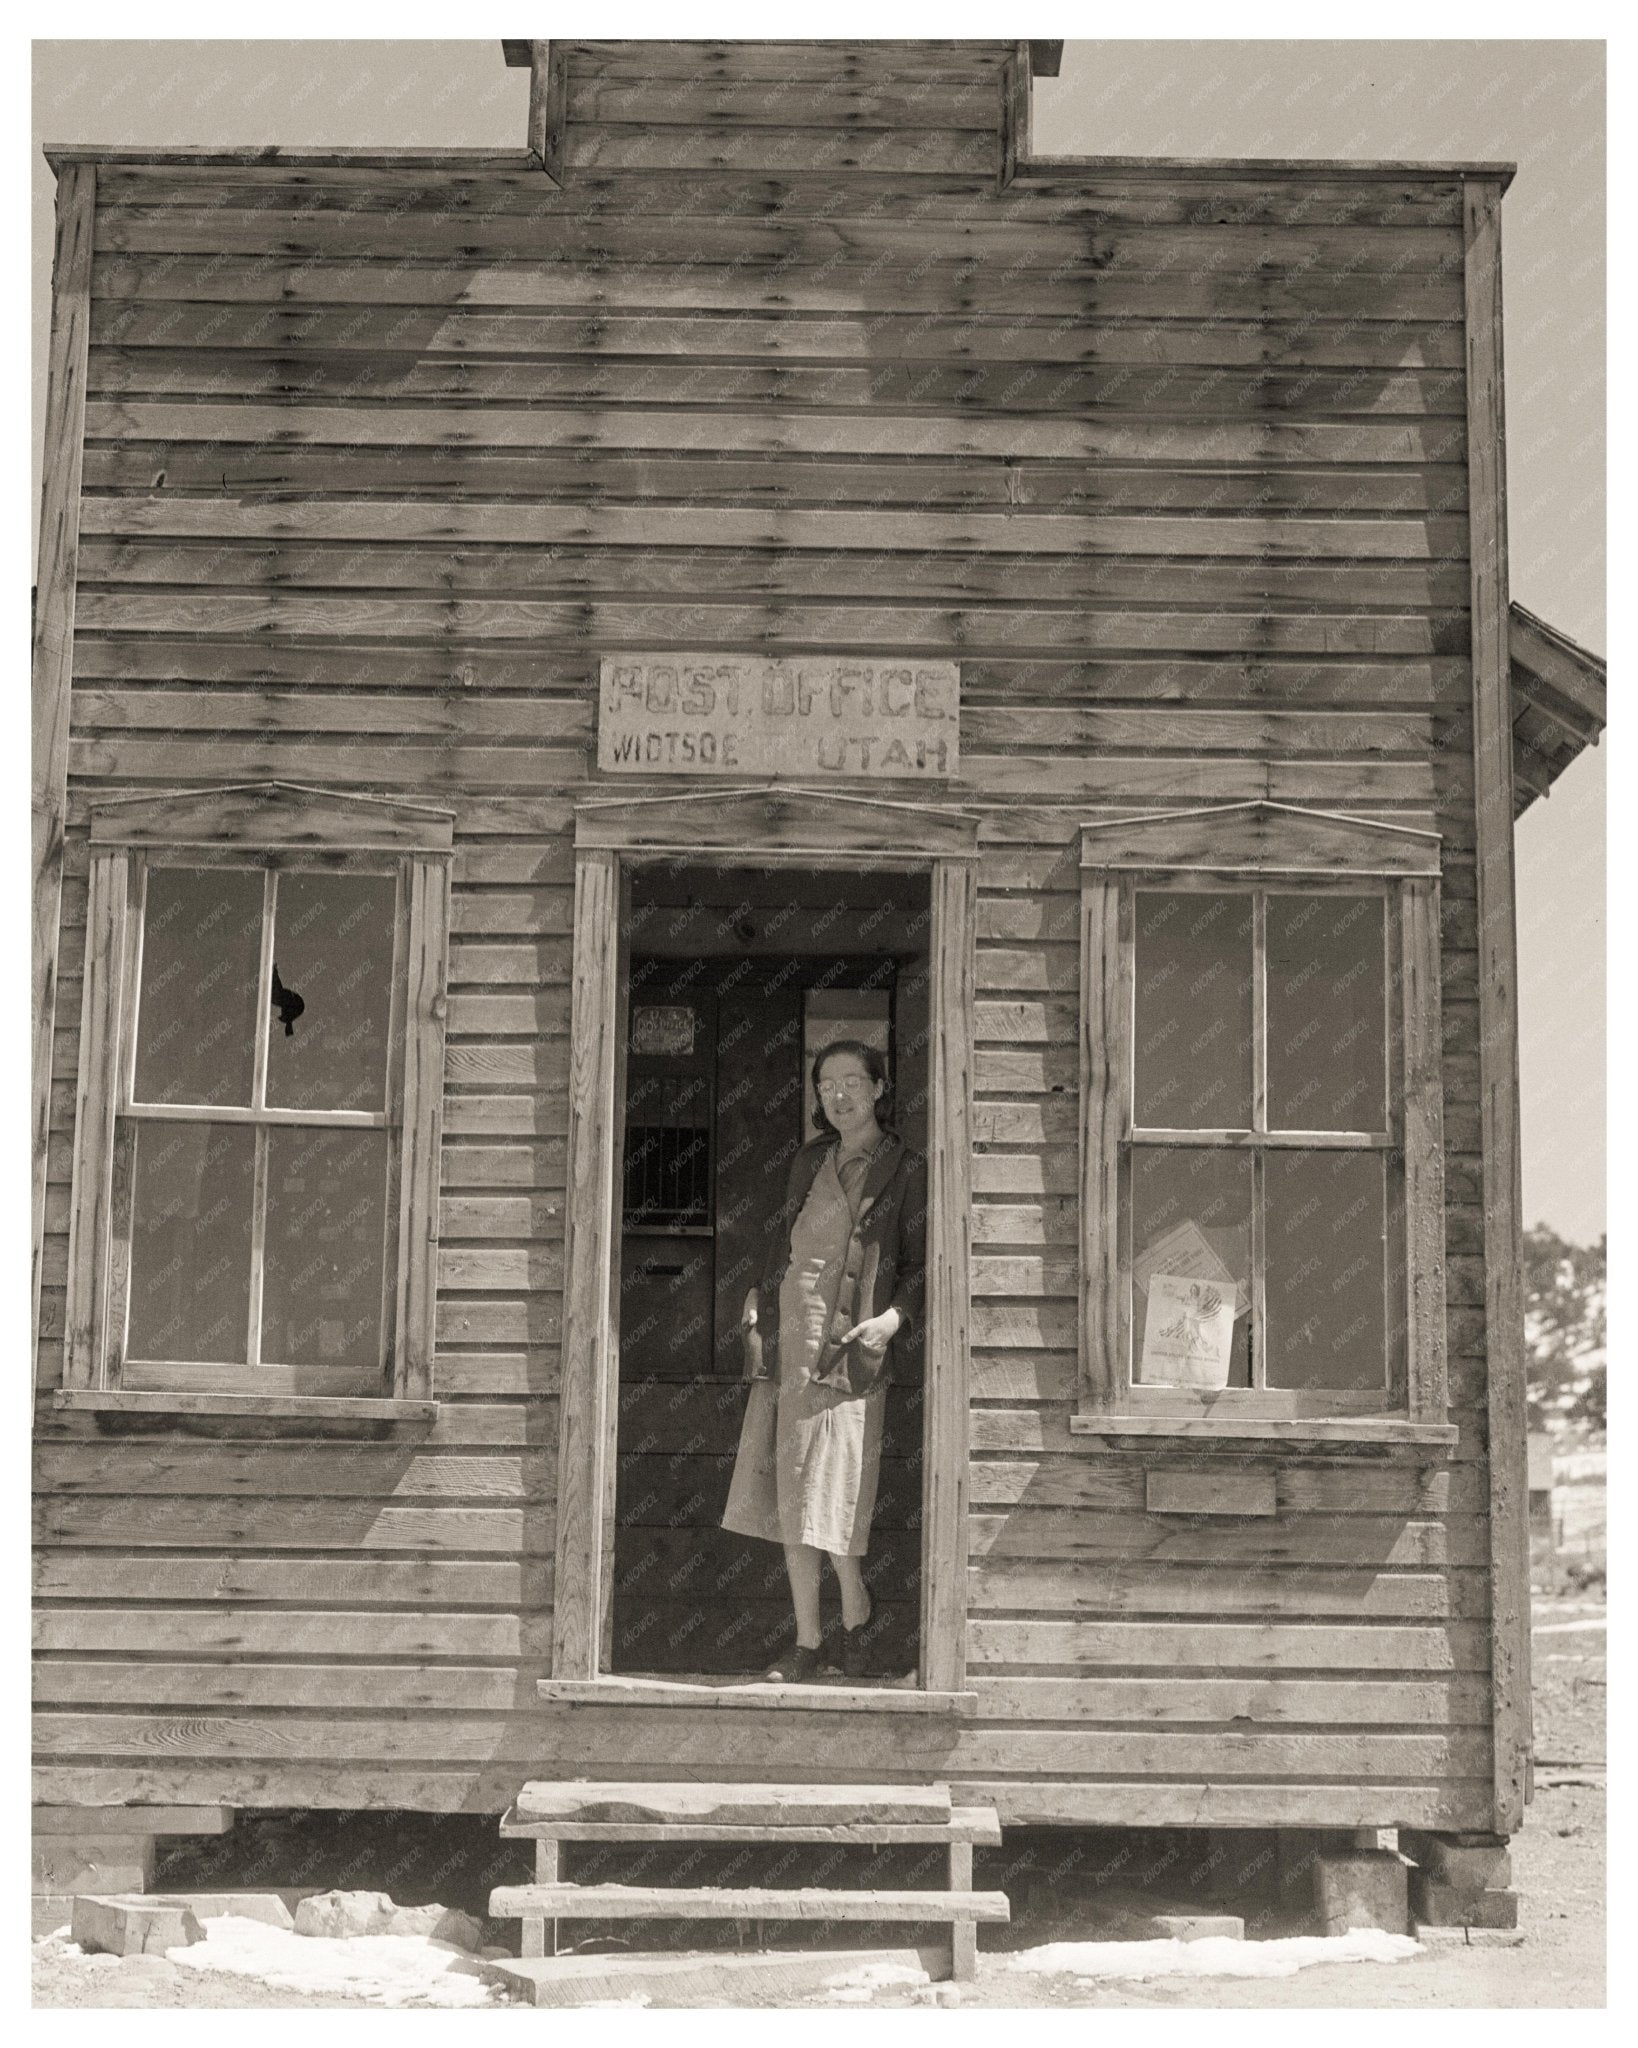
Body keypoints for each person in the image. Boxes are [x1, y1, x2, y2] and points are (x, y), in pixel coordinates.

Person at [721, 1038, 926, 1682]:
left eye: (852, 1082)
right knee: (791, 1494)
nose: (838, 1096)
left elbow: (924, 1265)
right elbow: (780, 1236)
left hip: (853, 1348)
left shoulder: (906, 1168)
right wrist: (759, 1289)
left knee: (836, 1493)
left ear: (879, 1089)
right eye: (826, 1085)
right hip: (792, 1345)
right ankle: (810, 1639)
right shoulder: (809, 1161)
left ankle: (856, 1607)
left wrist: (892, 1321)